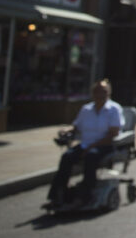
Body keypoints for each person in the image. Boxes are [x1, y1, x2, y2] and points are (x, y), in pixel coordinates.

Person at [46, 79, 124, 208]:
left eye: (103, 91)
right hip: (85, 144)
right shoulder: (86, 109)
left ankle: (85, 196)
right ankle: (57, 195)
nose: (100, 94)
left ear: (108, 93)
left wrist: (93, 146)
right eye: (97, 91)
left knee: (91, 158)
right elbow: (77, 127)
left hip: (103, 145)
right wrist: (67, 130)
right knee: (66, 158)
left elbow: (113, 133)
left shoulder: (113, 109)